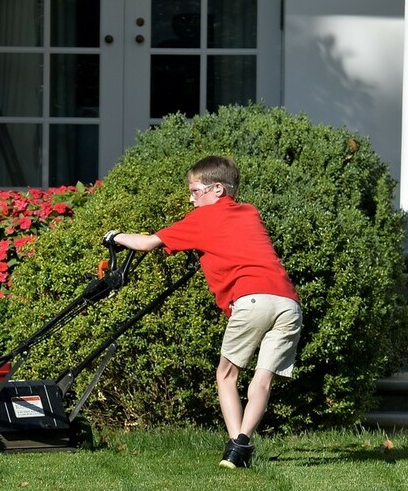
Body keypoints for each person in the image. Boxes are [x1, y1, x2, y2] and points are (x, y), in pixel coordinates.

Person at [104, 155, 302, 469]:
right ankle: (241, 445)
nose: (191, 198)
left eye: (196, 191)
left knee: (226, 374)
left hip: (251, 299)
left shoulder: (203, 218)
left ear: (218, 190)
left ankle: (236, 447)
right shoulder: (250, 212)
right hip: (289, 303)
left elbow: (145, 244)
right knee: (262, 381)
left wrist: (113, 237)